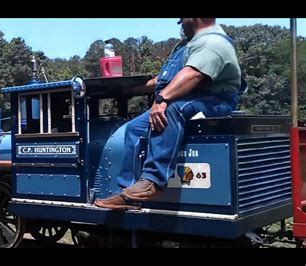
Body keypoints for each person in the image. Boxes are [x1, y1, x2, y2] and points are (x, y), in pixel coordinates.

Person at [94, 18, 242, 210]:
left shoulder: (214, 42)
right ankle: (128, 192)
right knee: (134, 128)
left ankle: (153, 181)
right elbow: (165, 80)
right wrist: (132, 89)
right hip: (188, 98)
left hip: (215, 99)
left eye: (182, 21)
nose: (181, 26)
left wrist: (162, 100)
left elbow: (193, 75)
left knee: (173, 109)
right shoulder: (189, 45)